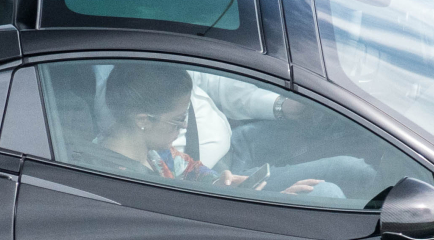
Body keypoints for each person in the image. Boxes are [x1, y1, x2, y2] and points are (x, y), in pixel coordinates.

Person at [90, 63, 371, 204]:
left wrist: (223, 184)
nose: (184, 128)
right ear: (143, 120)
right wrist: (273, 202)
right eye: (178, 120)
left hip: (222, 196)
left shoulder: (155, 152)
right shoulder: (127, 179)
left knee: (347, 173)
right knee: (326, 192)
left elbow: (192, 172)